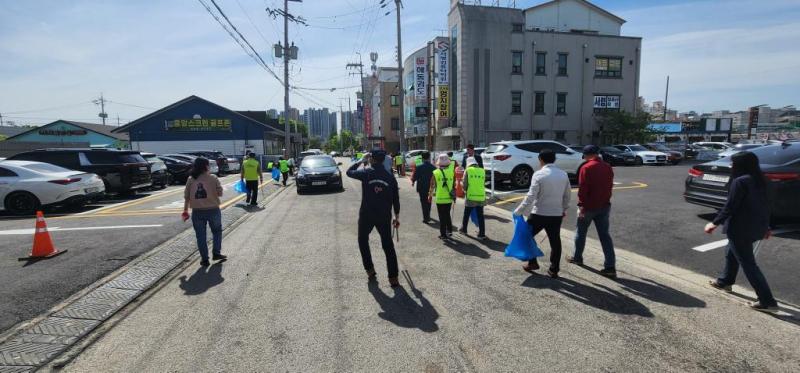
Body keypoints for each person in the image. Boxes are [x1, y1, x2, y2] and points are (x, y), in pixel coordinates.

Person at [705, 151, 778, 312]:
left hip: (740, 228)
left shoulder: (740, 182)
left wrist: (714, 223)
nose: (731, 166)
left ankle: (768, 301)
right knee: (731, 252)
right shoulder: (764, 180)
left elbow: (730, 207)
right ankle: (725, 281)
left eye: (733, 163)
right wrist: (767, 226)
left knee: (748, 263)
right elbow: (767, 207)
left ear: (741, 165)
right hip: (756, 227)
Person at [346, 149, 401, 287]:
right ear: (383, 160)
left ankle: (370, 270)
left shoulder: (367, 172)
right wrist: (397, 216)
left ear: (371, 159)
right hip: (384, 216)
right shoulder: (390, 176)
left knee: (362, 240)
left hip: (367, 215)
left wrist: (361, 160)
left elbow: (349, 172)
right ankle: (393, 277)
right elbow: (396, 198)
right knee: (388, 245)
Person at [512, 149, 571, 278]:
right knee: (555, 241)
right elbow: (567, 196)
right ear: (554, 159)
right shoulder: (563, 174)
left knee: (527, 236)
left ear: (540, 159)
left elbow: (531, 196)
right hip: (556, 214)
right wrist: (564, 209)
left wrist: (518, 211)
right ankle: (554, 269)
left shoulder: (539, 175)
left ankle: (533, 262)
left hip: (539, 213)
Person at [567, 145, 616, 278]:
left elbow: (583, 189)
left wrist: (582, 205)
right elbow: (609, 185)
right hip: (604, 205)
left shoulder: (586, 167)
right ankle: (610, 266)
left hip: (588, 206)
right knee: (605, 236)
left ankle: (577, 257)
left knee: (580, 232)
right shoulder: (607, 166)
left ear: (587, 155)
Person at [182, 157, 225, 266]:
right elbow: (220, 193)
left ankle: (204, 259)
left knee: (201, 236)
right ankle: (216, 253)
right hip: (213, 210)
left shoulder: (191, 179)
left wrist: (185, 210)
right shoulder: (213, 178)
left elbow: (187, 197)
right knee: (217, 232)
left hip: (197, 212)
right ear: (206, 166)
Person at [459, 157, 487, 239]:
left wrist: (462, 186)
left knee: (466, 214)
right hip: (481, 196)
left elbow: (464, 185)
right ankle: (482, 234)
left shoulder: (468, 170)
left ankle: (464, 230)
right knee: (480, 215)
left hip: (471, 196)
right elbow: (483, 182)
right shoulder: (482, 170)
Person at [429, 154, 455, 239]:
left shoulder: (435, 172)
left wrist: (429, 195)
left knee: (441, 216)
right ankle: (450, 230)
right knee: (447, 214)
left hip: (440, 198)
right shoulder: (451, 171)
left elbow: (432, 185)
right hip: (449, 198)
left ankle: (443, 234)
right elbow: (453, 184)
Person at [411, 151, 435, 223]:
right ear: (429, 157)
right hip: (430, 187)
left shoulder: (419, 167)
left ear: (422, 158)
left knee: (423, 202)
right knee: (429, 201)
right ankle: (428, 215)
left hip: (421, 187)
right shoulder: (433, 167)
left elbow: (415, 177)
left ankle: (426, 218)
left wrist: (413, 181)